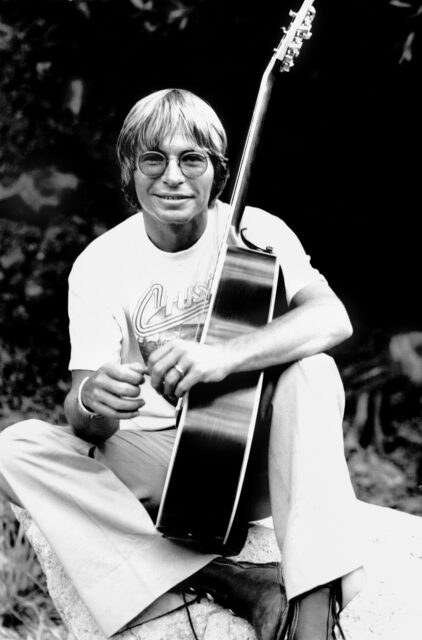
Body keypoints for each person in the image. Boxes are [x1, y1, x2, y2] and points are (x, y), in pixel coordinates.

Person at [0, 88, 366, 640]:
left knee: (315, 371)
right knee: (16, 448)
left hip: (249, 459)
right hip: (158, 470)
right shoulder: (100, 263)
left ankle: (312, 606)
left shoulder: (255, 233)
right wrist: (94, 402)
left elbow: (332, 320)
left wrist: (221, 357)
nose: (172, 176)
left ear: (217, 173)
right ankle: (234, 580)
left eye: (191, 159)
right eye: (154, 158)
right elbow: (83, 420)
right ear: (129, 170)